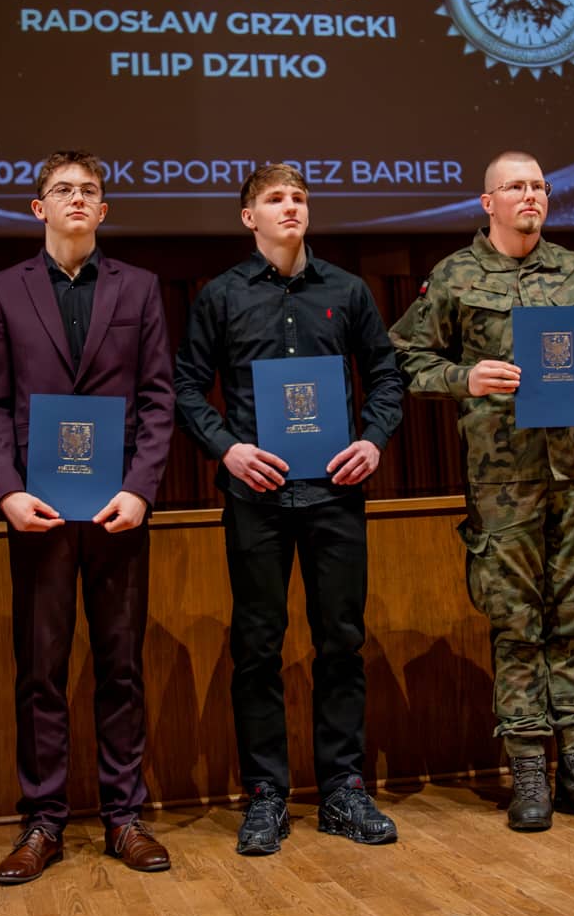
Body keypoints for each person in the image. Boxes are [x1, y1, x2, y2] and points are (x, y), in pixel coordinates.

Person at [388, 150, 574, 831]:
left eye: (537, 186)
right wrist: (463, 378)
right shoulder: (456, 276)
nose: (529, 195)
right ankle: (529, 769)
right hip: (504, 482)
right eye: (514, 187)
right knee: (517, 623)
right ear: (487, 202)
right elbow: (404, 358)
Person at [174, 164, 406, 855]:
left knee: (340, 641)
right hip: (258, 498)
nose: (291, 207)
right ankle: (267, 794)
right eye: (275, 198)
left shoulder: (347, 290)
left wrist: (371, 439)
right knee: (257, 647)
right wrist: (228, 451)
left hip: (335, 492)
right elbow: (187, 388)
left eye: (300, 198)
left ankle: (342, 789)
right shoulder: (221, 296)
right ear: (249, 217)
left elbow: (387, 375)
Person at [0, 150, 177, 883]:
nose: (78, 199)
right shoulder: (5, 289)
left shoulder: (141, 287)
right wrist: (5, 491)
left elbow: (159, 398)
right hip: (39, 509)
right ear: (38, 208)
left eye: (90, 190)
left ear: (103, 208)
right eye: (63, 190)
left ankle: (125, 816)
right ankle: (44, 820)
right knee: (41, 670)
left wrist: (141, 487)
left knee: (121, 666)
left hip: (119, 507)